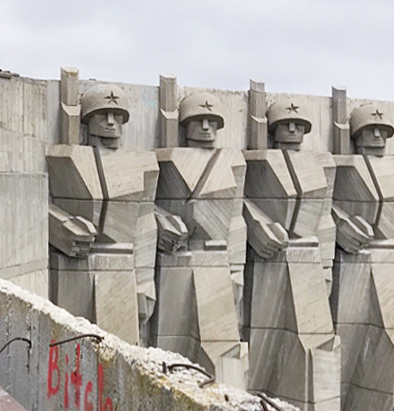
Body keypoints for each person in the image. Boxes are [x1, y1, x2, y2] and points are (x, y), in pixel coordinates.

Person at [242, 101, 341, 411]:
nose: (294, 130)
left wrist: (326, 267)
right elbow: (239, 204)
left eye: (299, 125)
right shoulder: (260, 163)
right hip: (272, 262)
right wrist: (257, 226)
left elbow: (325, 218)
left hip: (308, 259)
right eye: (287, 124)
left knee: (317, 350)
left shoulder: (320, 165)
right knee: (264, 356)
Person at [330, 104, 394, 411]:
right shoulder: (343, 167)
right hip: (352, 265)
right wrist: (340, 225)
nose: (379, 136)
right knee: (345, 355)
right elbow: (325, 209)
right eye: (370, 130)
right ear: (356, 135)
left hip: (391, 262)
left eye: (383, 130)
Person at [47, 83, 159, 345]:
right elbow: (35, 208)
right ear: (87, 119)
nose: (110, 122)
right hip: (73, 269)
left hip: (121, 269)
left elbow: (145, 225)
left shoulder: (142, 164)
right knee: (71, 353)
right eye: (102, 114)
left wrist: (144, 282)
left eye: (117, 115)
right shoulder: (65, 158)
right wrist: (61, 226)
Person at [151, 91, 247, 385]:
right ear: (184, 126)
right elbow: (144, 209)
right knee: (170, 357)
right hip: (178, 261)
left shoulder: (232, 161)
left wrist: (237, 268)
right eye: (198, 120)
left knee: (225, 357)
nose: (206, 127)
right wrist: (160, 220)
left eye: (211, 121)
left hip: (217, 260)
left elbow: (236, 217)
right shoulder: (168, 160)